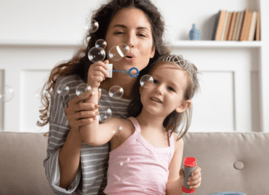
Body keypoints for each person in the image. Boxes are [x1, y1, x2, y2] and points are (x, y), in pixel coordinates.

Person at [39, 0, 171, 194]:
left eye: (141, 34)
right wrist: (77, 129)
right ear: (103, 42)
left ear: (153, 49)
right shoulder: (73, 90)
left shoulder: (159, 98)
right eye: (119, 32)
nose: (130, 42)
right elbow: (61, 183)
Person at [80, 54, 202, 194]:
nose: (159, 89)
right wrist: (92, 88)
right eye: (155, 81)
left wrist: (184, 182)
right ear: (141, 87)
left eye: (170, 88)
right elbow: (90, 136)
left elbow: (170, 190)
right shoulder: (122, 126)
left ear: (182, 105)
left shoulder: (175, 141)